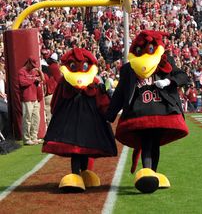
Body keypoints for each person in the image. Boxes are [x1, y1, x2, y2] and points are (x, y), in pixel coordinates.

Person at [106, 30, 189, 193]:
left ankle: (152, 174)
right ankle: (149, 173)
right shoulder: (129, 68)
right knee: (147, 141)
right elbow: (121, 92)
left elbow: (183, 76)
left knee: (154, 143)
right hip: (140, 110)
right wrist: (110, 114)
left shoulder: (166, 61)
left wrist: (168, 81)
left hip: (161, 109)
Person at [42, 47, 117, 192]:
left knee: (84, 148)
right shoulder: (65, 82)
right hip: (73, 121)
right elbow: (56, 101)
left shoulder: (94, 82)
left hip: (87, 121)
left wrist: (107, 111)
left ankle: (84, 172)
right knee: (75, 147)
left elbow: (102, 101)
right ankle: (75, 174)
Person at [18, 57, 45, 145]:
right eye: (32, 65)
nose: (33, 67)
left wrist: (40, 72)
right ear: (28, 63)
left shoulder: (33, 71)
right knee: (27, 119)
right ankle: (26, 139)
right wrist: (33, 79)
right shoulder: (21, 71)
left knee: (36, 118)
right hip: (27, 98)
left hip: (35, 98)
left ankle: (34, 137)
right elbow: (22, 83)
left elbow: (42, 79)